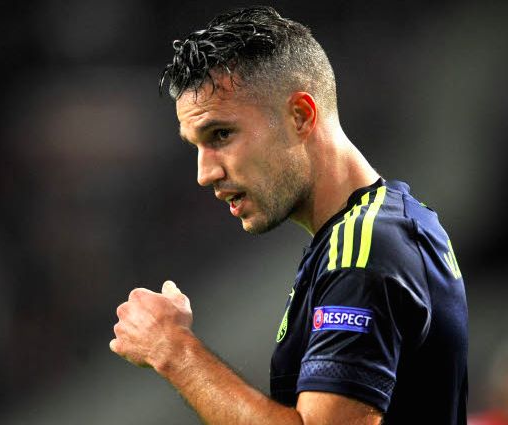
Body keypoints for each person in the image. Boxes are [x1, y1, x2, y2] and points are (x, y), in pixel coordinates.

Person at [110, 6, 468, 424]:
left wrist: (173, 349)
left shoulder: (365, 248)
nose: (204, 174)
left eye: (221, 134)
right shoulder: (376, 230)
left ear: (300, 115)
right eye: (196, 146)